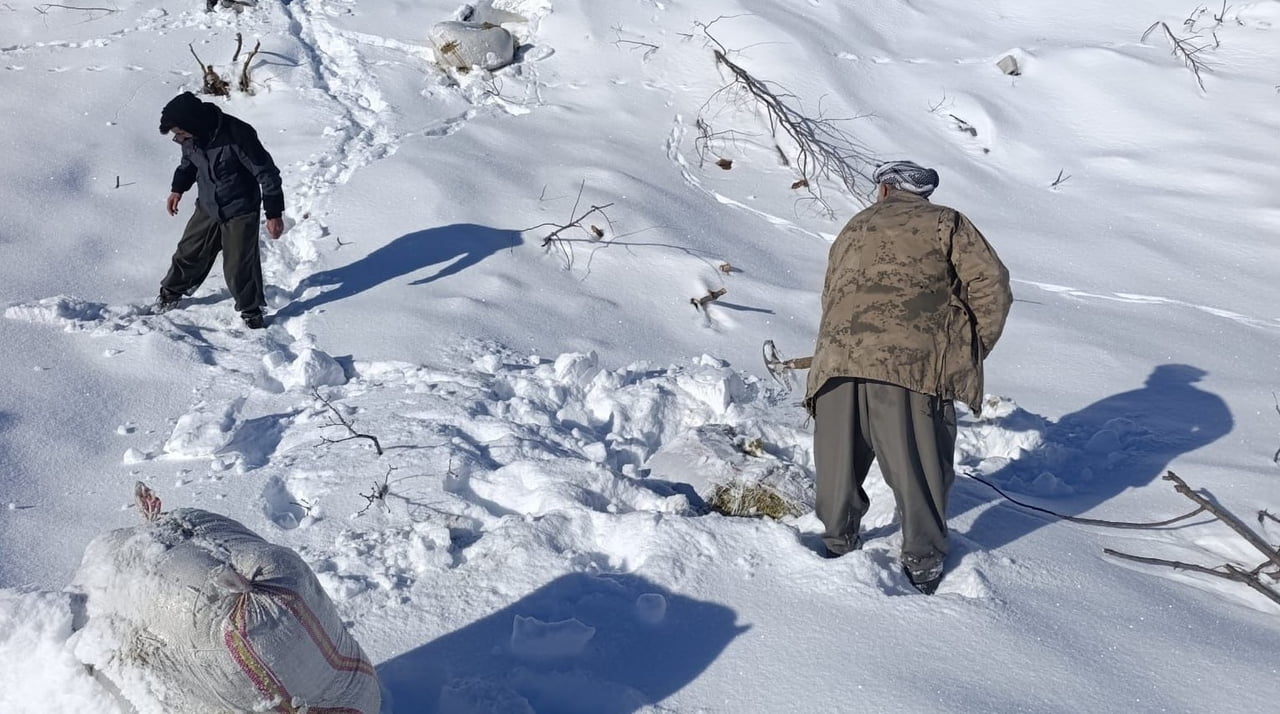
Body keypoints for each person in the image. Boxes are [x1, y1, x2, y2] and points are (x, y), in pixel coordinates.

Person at [805, 160, 1012, 594]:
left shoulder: (853, 227)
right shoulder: (946, 222)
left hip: (836, 362)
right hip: (909, 365)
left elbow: (830, 294)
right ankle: (923, 564)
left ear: (883, 190)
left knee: (837, 464)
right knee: (918, 467)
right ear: (920, 193)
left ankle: (836, 546)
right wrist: (969, 351)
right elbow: (992, 286)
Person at [155, 91, 284, 329]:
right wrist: (177, 189)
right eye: (176, 134)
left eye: (180, 132)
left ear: (194, 123)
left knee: (238, 265)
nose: (179, 138)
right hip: (207, 205)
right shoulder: (191, 139)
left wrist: (273, 214)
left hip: (240, 208)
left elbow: (267, 173)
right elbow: (188, 164)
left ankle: (251, 311)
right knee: (188, 252)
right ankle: (170, 294)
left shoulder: (238, 135)